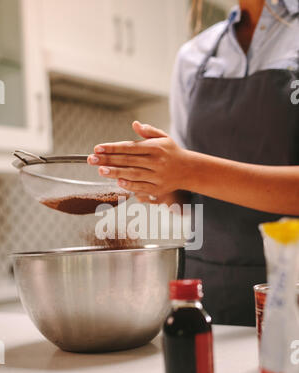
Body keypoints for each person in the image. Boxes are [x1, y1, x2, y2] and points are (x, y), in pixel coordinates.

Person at [88, 0, 299, 326]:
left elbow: (194, 171)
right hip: (213, 295)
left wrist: (186, 169)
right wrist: (161, 184)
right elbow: (190, 202)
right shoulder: (193, 56)